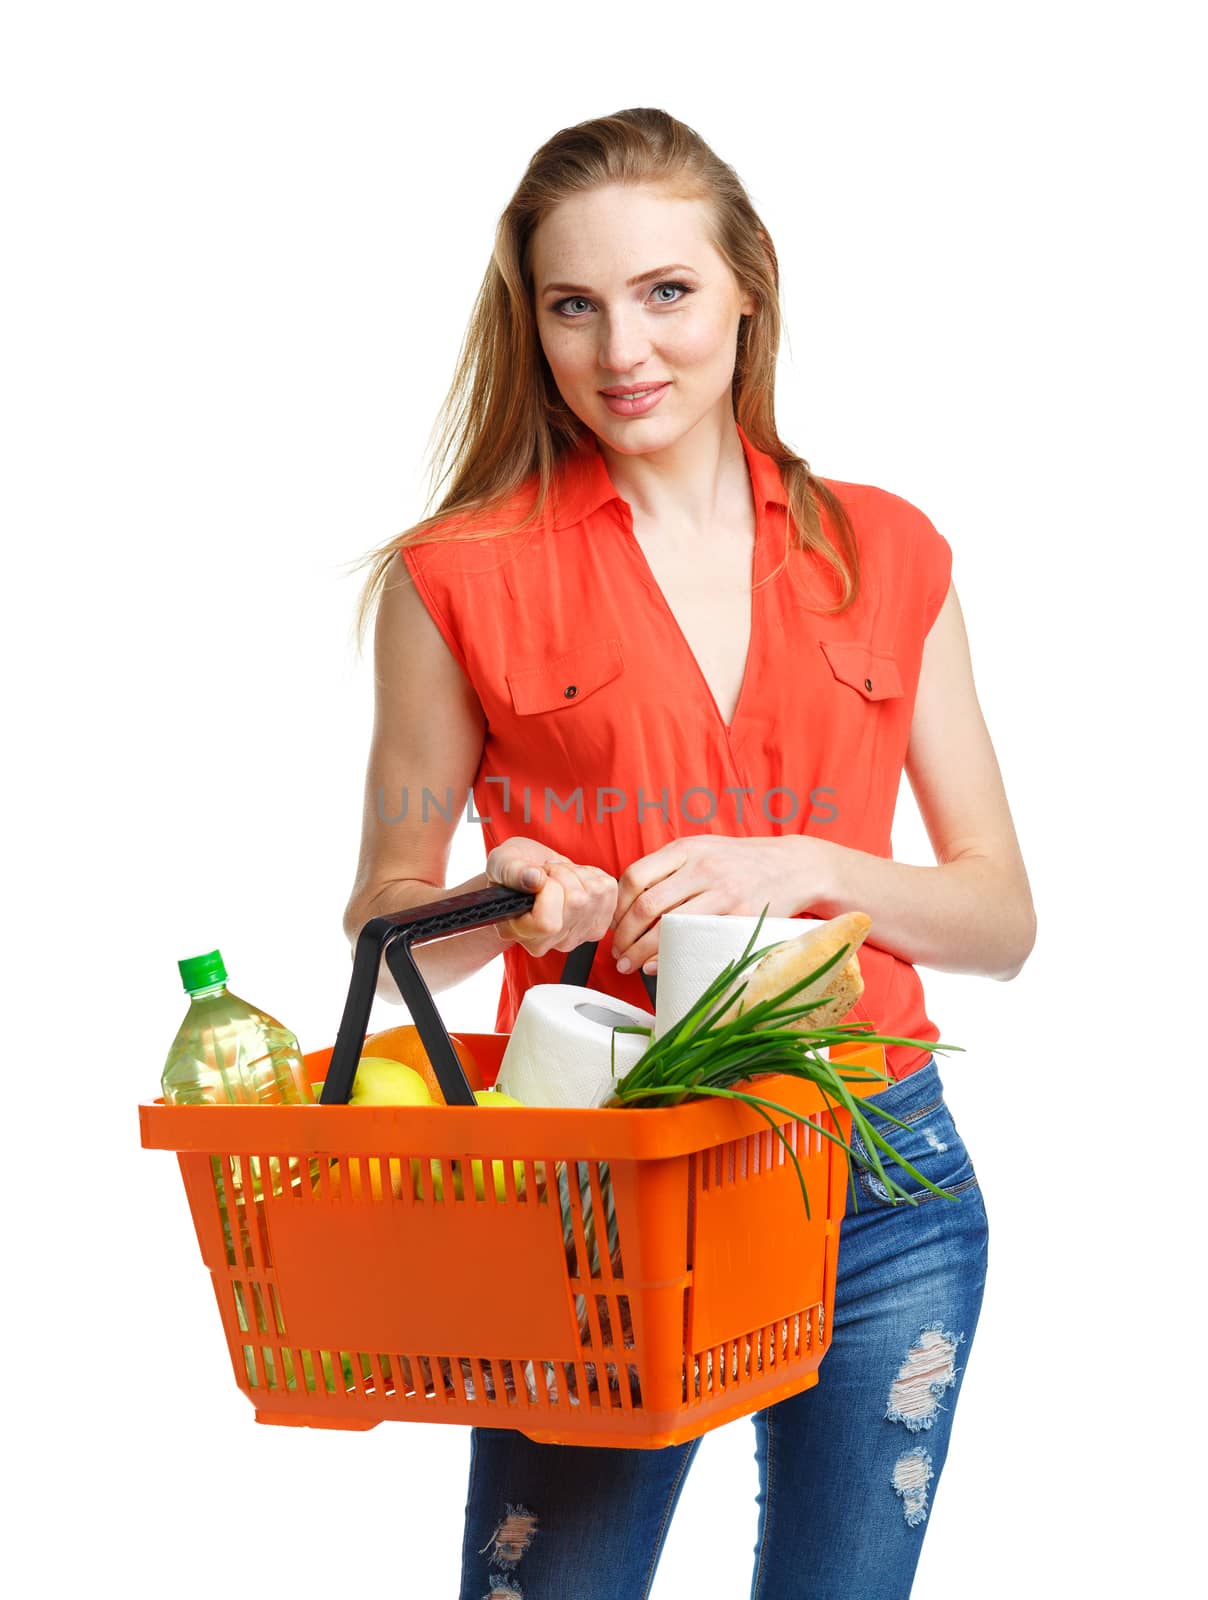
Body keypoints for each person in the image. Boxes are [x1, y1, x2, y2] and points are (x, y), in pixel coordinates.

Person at [344, 107, 1035, 1600]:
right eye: (573, 305)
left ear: (746, 293)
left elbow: (997, 914)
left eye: (666, 292)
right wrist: (510, 895)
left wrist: (810, 864)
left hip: (880, 1177)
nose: (622, 351)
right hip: (608, 1178)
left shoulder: (888, 550)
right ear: (531, 323)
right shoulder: (455, 579)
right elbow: (385, 928)